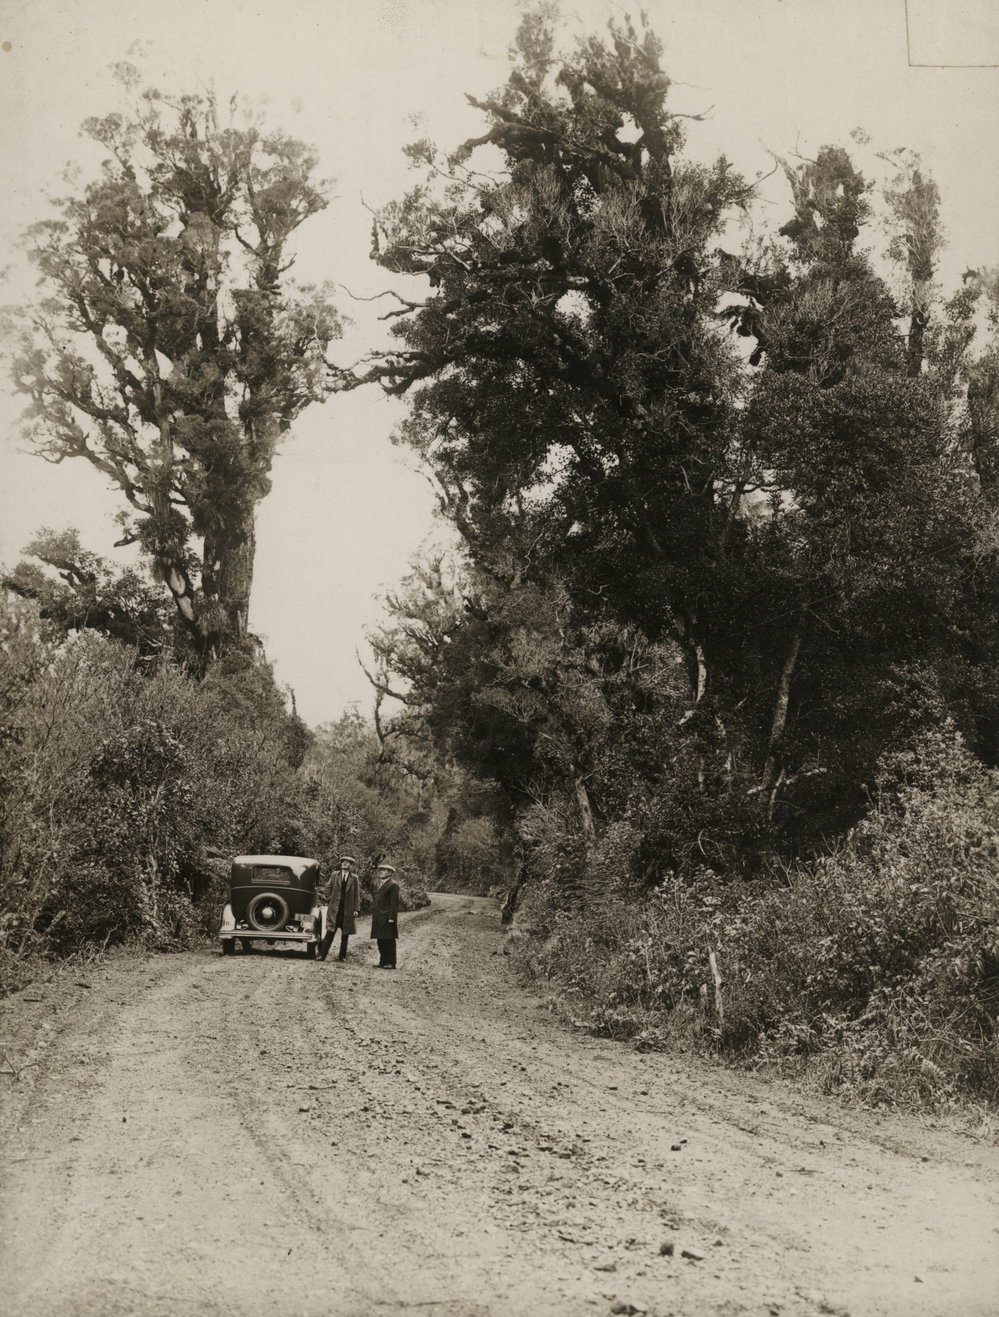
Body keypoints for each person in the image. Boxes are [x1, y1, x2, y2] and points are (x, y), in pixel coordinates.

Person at [319, 855, 360, 962]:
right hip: (335, 909)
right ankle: (322, 955)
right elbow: (328, 887)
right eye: (343, 862)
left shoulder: (354, 878)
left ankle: (342, 956)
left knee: (345, 934)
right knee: (329, 932)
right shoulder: (334, 875)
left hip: (347, 910)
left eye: (347, 862)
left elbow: (357, 894)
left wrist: (356, 909)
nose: (344, 864)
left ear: (351, 865)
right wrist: (329, 899)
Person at [369, 862, 400, 968]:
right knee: (380, 939)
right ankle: (382, 961)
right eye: (381, 870)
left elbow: (394, 903)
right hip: (378, 916)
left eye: (384, 870)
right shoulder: (380, 883)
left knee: (389, 940)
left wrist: (392, 917)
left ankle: (391, 963)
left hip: (387, 917)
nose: (381, 872)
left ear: (390, 873)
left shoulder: (393, 885)